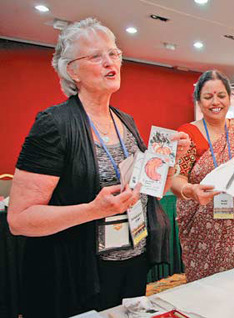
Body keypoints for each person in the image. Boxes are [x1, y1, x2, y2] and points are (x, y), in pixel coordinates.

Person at [7, 18, 190, 317]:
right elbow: (20, 219)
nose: (111, 62)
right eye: (96, 56)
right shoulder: (54, 124)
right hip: (78, 272)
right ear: (72, 70)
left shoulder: (125, 121)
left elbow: (153, 189)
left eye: (114, 53)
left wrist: (169, 160)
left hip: (132, 261)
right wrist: (94, 210)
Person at [171, 70, 234, 282]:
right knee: (206, 286)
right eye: (208, 97)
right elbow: (176, 178)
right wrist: (190, 190)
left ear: (229, 98)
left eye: (221, 95)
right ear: (198, 102)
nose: (215, 102)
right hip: (202, 227)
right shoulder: (188, 134)